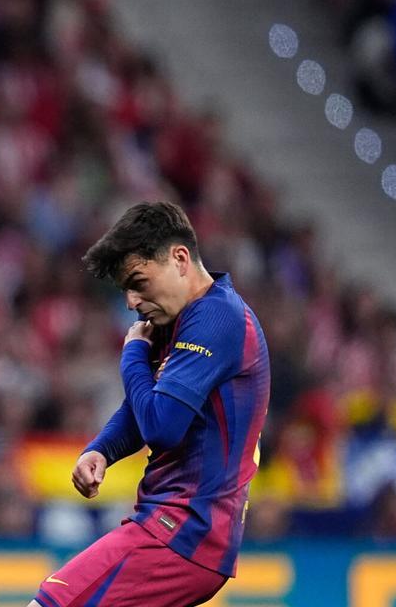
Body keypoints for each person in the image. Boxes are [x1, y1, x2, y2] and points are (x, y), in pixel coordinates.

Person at [30, 202, 270, 607]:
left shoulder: (216, 319)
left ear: (179, 259)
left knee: (53, 603)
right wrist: (103, 449)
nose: (130, 301)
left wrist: (132, 354)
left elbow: (161, 424)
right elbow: (149, 405)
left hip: (180, 533)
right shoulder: (183, 319)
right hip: (179, 534)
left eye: (138, 282)